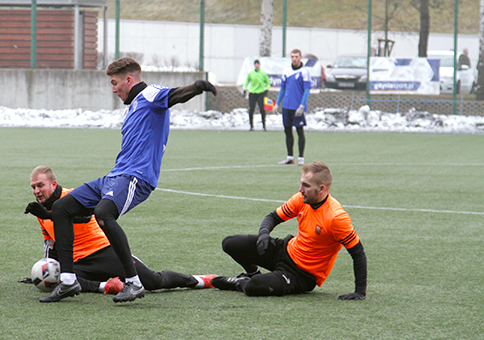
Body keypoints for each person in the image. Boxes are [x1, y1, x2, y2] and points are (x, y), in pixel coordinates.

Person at [41, 57, 217, 303]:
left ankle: (134, 283)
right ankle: (69, 281)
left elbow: (175, 95)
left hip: (136, 177)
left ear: (129, 79)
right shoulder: (132, 106)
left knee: (104, 212)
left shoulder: (150, 94)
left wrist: (196, 87)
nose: (113, 89)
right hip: (114, 176)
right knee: (61, 207)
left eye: (115, 83)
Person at [23, 166, 216, 298]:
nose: (37, 191)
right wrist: (43, 270)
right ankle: (106, 286)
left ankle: (201, 280)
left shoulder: (71, 198)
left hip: (104, 252)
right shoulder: (40, 211)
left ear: (53, 185)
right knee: (59, 279)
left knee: (153, 282)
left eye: (40, 185)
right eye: (33, 187)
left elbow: (85, 218)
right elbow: (50, 245)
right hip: (78, 262)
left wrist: (49, 214)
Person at [211, 161, 367, 300]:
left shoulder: (336, 217)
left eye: (306, 185)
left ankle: (241, 283)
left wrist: (360, 291)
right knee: (230, 243)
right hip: (284, 250)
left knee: (254, 287)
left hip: (302, 275)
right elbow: (272, 217)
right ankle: (252, 273)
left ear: (321, 189)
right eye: (301, 184)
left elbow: (358, 252)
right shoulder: (301, 198)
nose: (300, 189)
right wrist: (264, 234)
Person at [275, 49, 311, 165]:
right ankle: (290, 156)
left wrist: (302, 105)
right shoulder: (286, 71)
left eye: (296, 56)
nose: (294, 59)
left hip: (297, 107)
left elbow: (306, 90)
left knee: (300, 131)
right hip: (286, 106)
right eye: (292, 57)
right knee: (287, 131)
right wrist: (277, 103)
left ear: (300, 57)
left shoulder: (304, 72)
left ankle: (301, 157)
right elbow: (283, 88)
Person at [243, 59, 271, 131]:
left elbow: (268, 82)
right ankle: (251, 126)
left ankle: (264, 126)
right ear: (254, 65)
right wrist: (245, 89)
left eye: (258, 64)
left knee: (262, 109)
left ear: (259, 65)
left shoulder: (263, 74)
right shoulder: (251, 73)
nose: (256, 65)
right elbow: (246, 81)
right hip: (252, 93)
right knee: (251, 109)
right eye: (255, 64)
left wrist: (267, 89)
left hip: (260, 93)